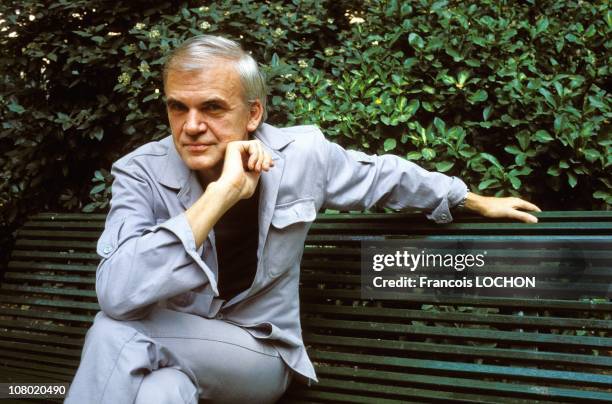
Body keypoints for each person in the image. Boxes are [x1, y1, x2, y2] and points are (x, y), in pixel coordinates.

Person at [65, 35, 541, 404]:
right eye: (178, 107)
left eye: (212, 107)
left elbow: (383, 176)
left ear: (253, 113)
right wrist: (220, 196)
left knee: (117, 331)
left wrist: (471, 199)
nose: (191, 126)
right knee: (161, 391)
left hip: (260, 355)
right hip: (178, 352)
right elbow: (118, 290)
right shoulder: (140, 173)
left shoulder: (302, 157)